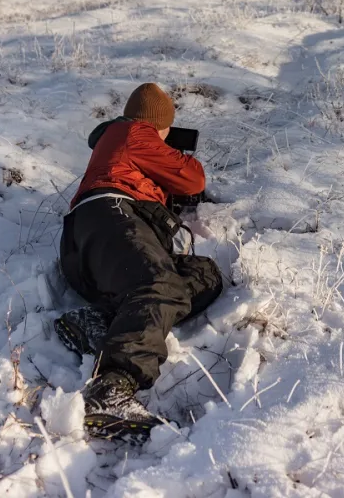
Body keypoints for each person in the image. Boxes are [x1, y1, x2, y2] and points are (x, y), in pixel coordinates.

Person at [55, 82, 223, 440]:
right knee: (159, 287)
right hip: (110, 217)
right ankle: (111, 390)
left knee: (203, 276)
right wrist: (168, 149)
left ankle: (96, 323)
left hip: (90, 248)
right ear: (158, 123)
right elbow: (193, 177)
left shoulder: (121, 143)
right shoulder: (134, 131)